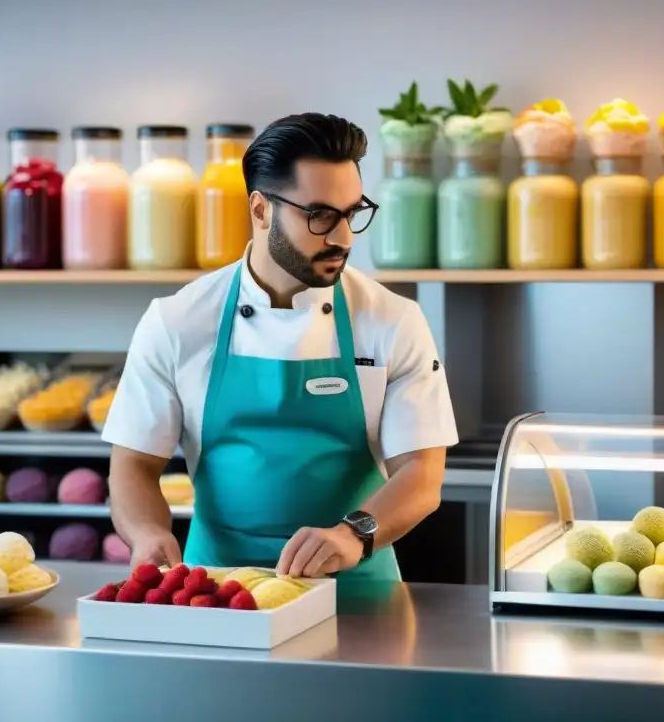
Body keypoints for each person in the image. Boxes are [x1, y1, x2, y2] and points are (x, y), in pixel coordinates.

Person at [104, 112, 458, 582]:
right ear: (260, 209)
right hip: (217, 591)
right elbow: (133, 465)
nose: (342, 238)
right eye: (319, 216)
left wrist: (353, 535)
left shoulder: (393, 320)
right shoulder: (177, 322)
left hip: (354, 592)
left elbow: (421, 473)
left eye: (352, 214)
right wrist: (146, 532)